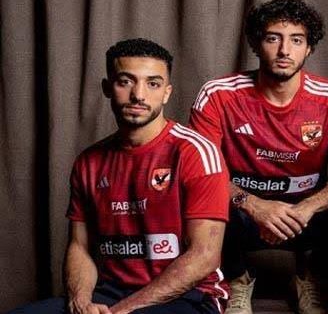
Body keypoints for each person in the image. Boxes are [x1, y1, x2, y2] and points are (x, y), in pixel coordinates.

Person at [9, 38, 230, 314]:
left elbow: (204, 256)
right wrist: (81, 302)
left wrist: (125, 310)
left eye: (153, 84)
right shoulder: (89, 162)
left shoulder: (195, 152)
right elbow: (80, 247)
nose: (139, 95)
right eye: (125, 81)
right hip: (112, 291)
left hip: (190, 296)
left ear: (166, 93)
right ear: (107, 87)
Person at [189, 0, 328, 314]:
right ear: (257, 44)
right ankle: (236, 278)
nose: (285, 50)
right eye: (273, 38)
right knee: (194, 195)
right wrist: (254, 205)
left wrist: (308, 208)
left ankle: (310, 274)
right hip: (241, 210)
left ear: (309, 48)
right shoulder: (218, 93)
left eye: (296, 40)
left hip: (305, 213)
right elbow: (201, 170)